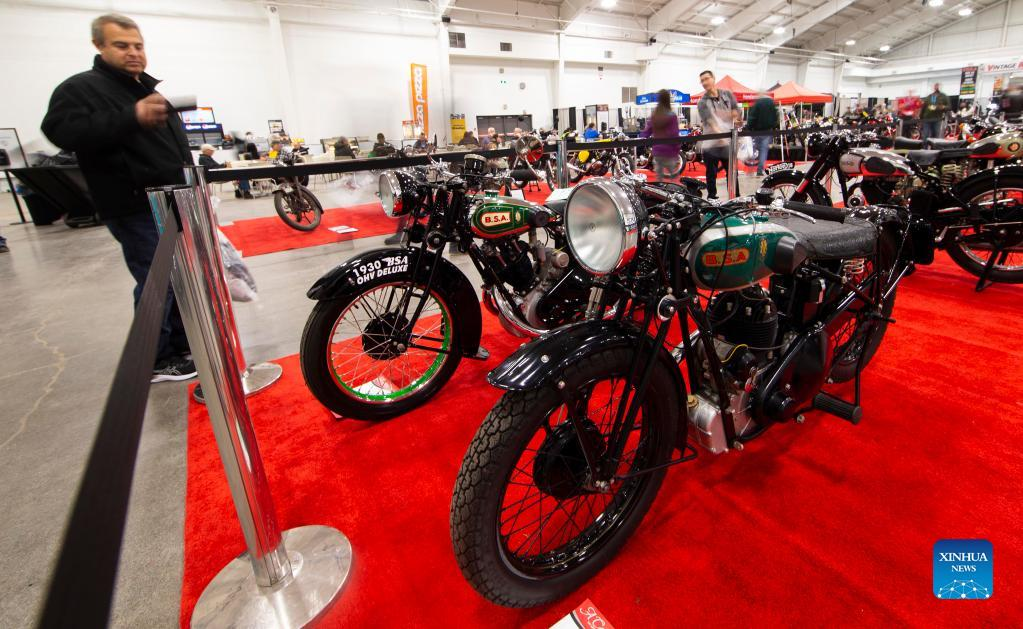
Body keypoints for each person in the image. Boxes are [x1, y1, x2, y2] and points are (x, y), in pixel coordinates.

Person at [41, 13, 195, 382]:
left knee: (178, 277)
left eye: (138, 46)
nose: (133, 53)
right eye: (121, 46)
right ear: (99, 46)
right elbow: (60, 130)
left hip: (172, 199)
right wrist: (130, 117)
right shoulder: (82, 88)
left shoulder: (145, 90)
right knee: (156, 279)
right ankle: (155, 359)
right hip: (134, 203)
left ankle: (180, 344)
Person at [696, 69, 741, 199]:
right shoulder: (702, 102)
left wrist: (735, 118)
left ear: (713, 78)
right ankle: (712, 198)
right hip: (711, 144)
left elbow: (736, 112)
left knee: (732, 173)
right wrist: (721, 135)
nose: (704, 82)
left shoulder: (727, 95)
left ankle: (736, 198)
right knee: (711, 174)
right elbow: (711, 123)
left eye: (706, 79)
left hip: (727, 142)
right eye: (702, 81)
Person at [639, 89, 680, 182]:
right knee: (674, 179)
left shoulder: (654, 115)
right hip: (670, 151)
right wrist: (677, 149)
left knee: (659, 179)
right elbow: (674, 134)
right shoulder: (672, 116)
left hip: (657, 151)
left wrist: (639, 138)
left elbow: (646, 132)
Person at [746, 90, 778, 176]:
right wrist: (774, 126)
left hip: (756, 131)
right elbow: (775, 116)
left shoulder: (757, 103)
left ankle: (750, 168)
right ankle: (759, 170)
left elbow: (752, 117)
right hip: (767, 131)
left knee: (753, 149)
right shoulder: (771, 103)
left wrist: (749, 127)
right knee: (764, 151)